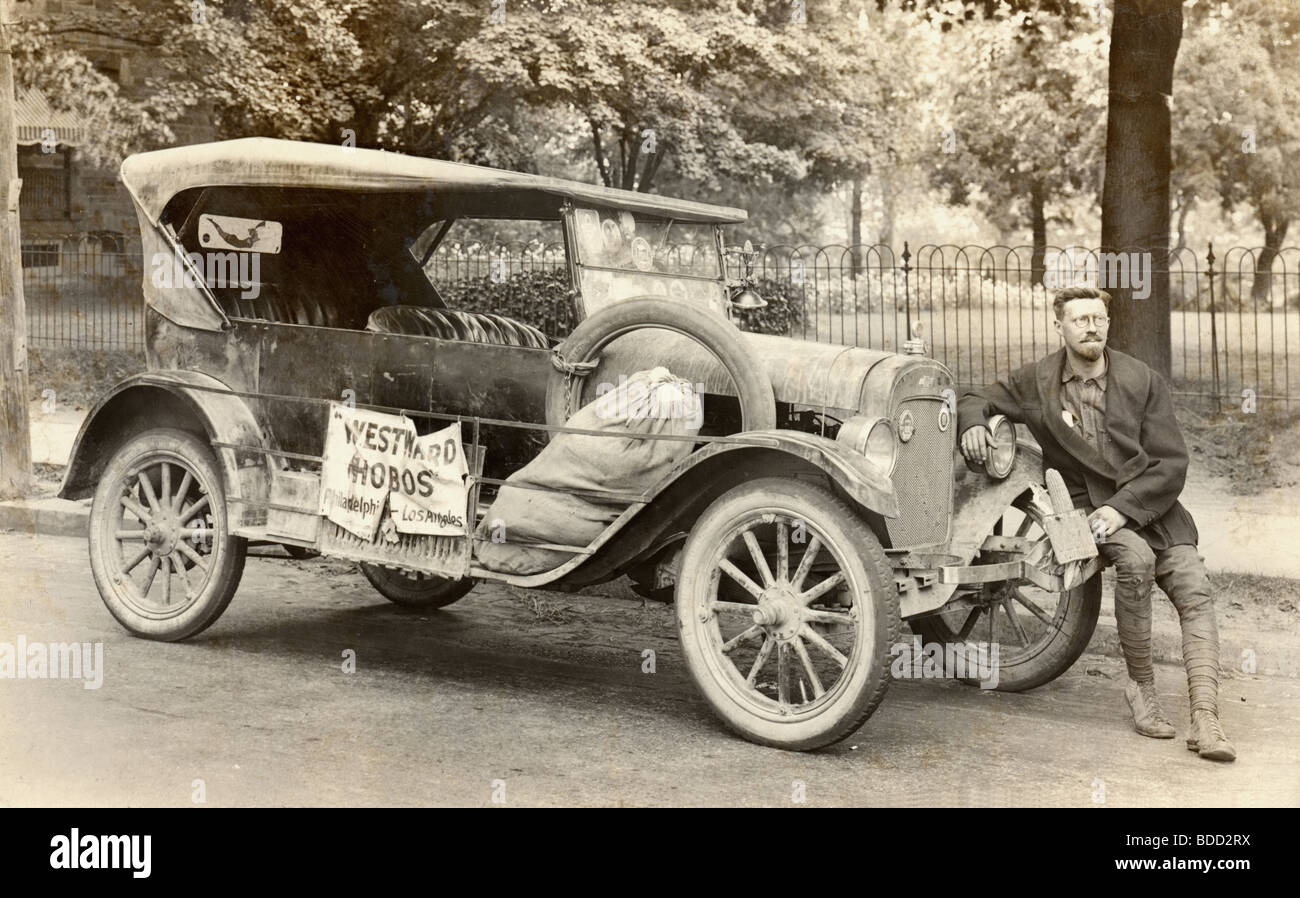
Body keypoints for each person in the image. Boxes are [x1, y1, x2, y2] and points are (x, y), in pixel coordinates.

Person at [957, 285, 1235, 762]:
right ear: (1059, 326)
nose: (1091, 327)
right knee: (1135, 560)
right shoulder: (1037, 382)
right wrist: (973, 425)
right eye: (1080, 319)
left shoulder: (1141, 379)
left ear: (1108, 324)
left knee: (1194, 585)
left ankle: (1206, 715)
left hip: (1152, 506)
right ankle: (1142, 691)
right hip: (1085, 510)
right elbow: (973, 396)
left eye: (1099, 319)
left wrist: (1125, 507)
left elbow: (1171, 464)